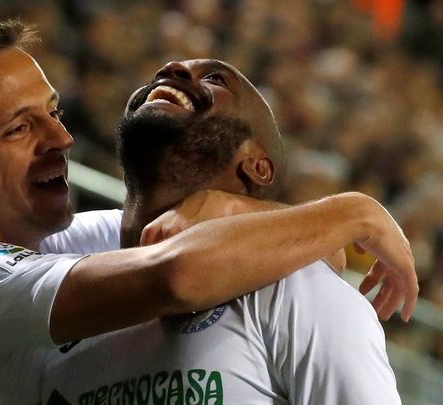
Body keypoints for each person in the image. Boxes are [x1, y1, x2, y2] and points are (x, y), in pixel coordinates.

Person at [0, 20, 416, 404]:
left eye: (53, 112)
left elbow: (160, 237)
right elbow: (174, 272)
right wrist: (354, 211)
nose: (62, 139)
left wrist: (229, 206)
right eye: (18, 129)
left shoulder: (67, 246)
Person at [38, 59, 402, 404]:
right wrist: (342, 214)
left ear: (257, 166)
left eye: (215, 79)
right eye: (161, 74)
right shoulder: (63, 248)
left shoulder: (304, 293)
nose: (172, 68)